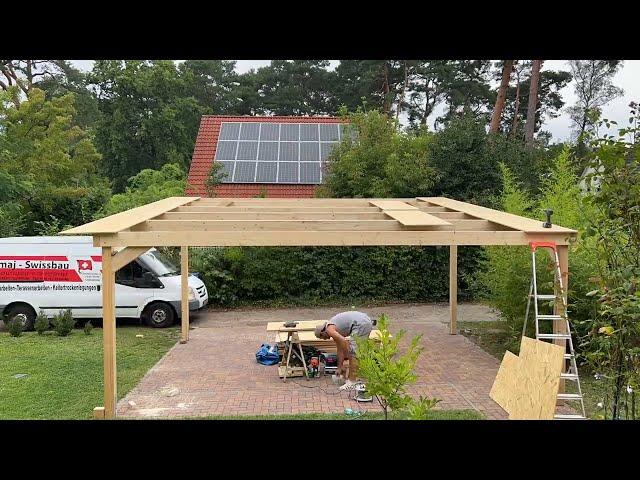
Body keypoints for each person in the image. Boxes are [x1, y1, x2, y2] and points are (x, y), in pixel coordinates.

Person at [314, 311, 375, 391]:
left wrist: (347, 358)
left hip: (360, 324)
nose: (326, 339)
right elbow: (340, 349)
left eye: (324, 337)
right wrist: (339, 367)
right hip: (364, 321)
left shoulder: (330, 330)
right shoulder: (333, 328)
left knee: (354, 353)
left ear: (323, 332)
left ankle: (352, 382)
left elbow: (344, 341)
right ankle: (355, 377)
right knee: (357, 351)